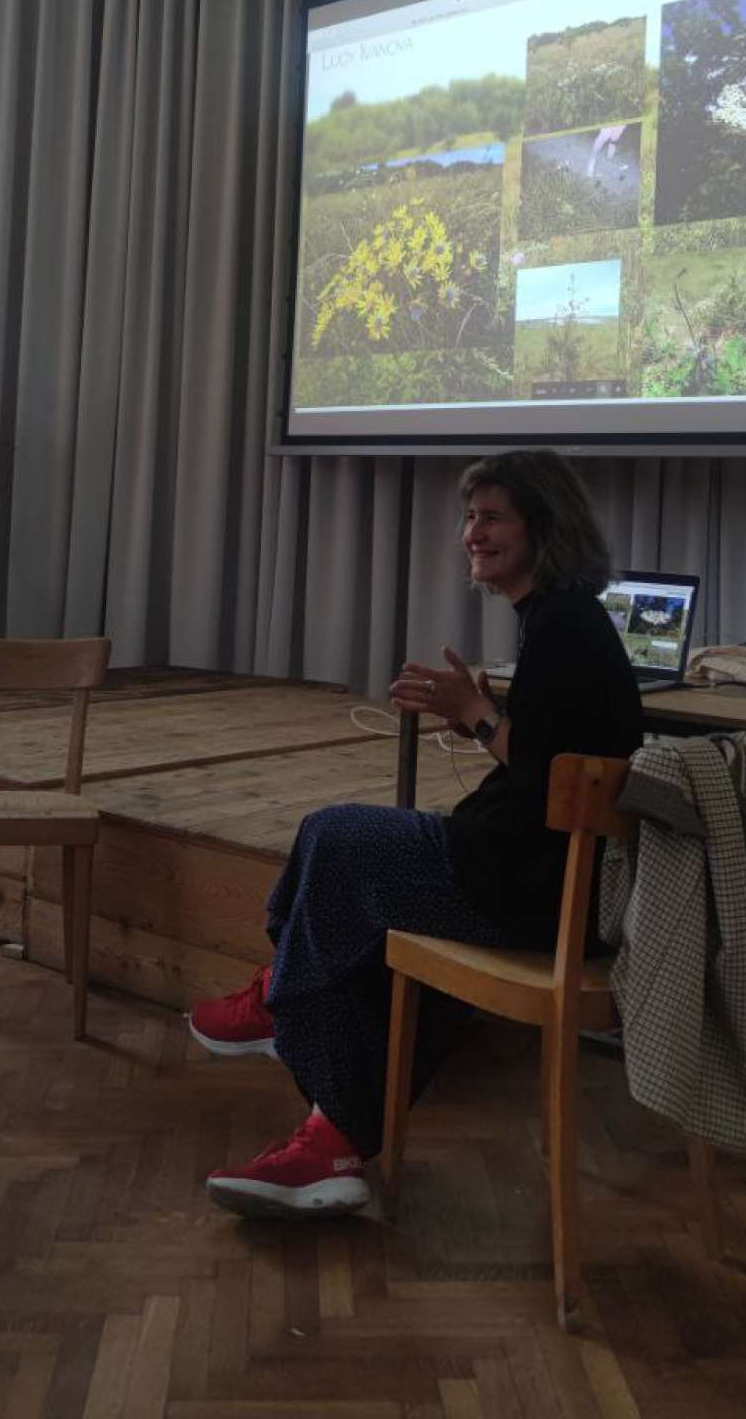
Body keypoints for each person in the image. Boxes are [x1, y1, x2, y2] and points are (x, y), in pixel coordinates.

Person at [188, 448, 646, 1218]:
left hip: (534, 889)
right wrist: (481, 714)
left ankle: (284, 1004)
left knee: (335, 840)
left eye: (493, 516)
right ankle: (329, 1133)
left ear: (544, 525)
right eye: (471, 517)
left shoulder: (566, 624)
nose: (473, 532)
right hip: (526, 870)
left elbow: (553, 779)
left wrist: (475, 715)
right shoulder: (559, 620)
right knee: (350, 896)